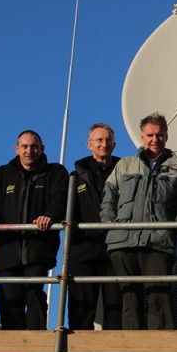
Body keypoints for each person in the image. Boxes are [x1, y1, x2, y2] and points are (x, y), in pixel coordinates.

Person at [101, 113, 177, 330]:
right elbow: (108, 199)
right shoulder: (124, 165)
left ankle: (160, 349)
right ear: (142, 137)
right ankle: (132, 348)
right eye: (150, 135)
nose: (155, 139)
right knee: (129, 295)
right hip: (123, 242)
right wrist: (111, 228)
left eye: (160, 135)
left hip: (159, 241)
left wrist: (174, 228)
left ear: (166, 136)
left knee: (159, 294)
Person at [0, 130, 69, 330]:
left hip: (39, 246)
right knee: (8, 297)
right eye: (24, 147)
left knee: (34, 293)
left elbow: (61, 199)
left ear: (42, 149)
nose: (29, 151)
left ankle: (37, 343)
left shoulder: (55, 173)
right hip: (8, 247)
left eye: (34, 146)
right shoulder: (3, 174)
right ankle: (13, 346)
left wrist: (50, 215)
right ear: (17, 149)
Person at [67, 123, 121, 330]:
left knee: (115, 304)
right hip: (83, 248)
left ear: (114, 144)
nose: (104, 144)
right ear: (90, 144)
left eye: (108, 140)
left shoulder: (124, 173)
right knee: (82, 304)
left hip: (115, 246)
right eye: (99, 140)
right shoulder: (74, 177)